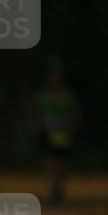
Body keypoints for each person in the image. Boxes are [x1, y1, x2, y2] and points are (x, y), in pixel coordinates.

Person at [33, 58, 80, 205]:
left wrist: (72, 128)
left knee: (62, 164)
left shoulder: (67, 96)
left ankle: (59, 190)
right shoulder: (42, 96)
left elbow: (75, 113)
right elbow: (35, 113)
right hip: (47, 134)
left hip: (63, 134)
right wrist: (37, 126)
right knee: (50, 163)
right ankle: (54, 190)